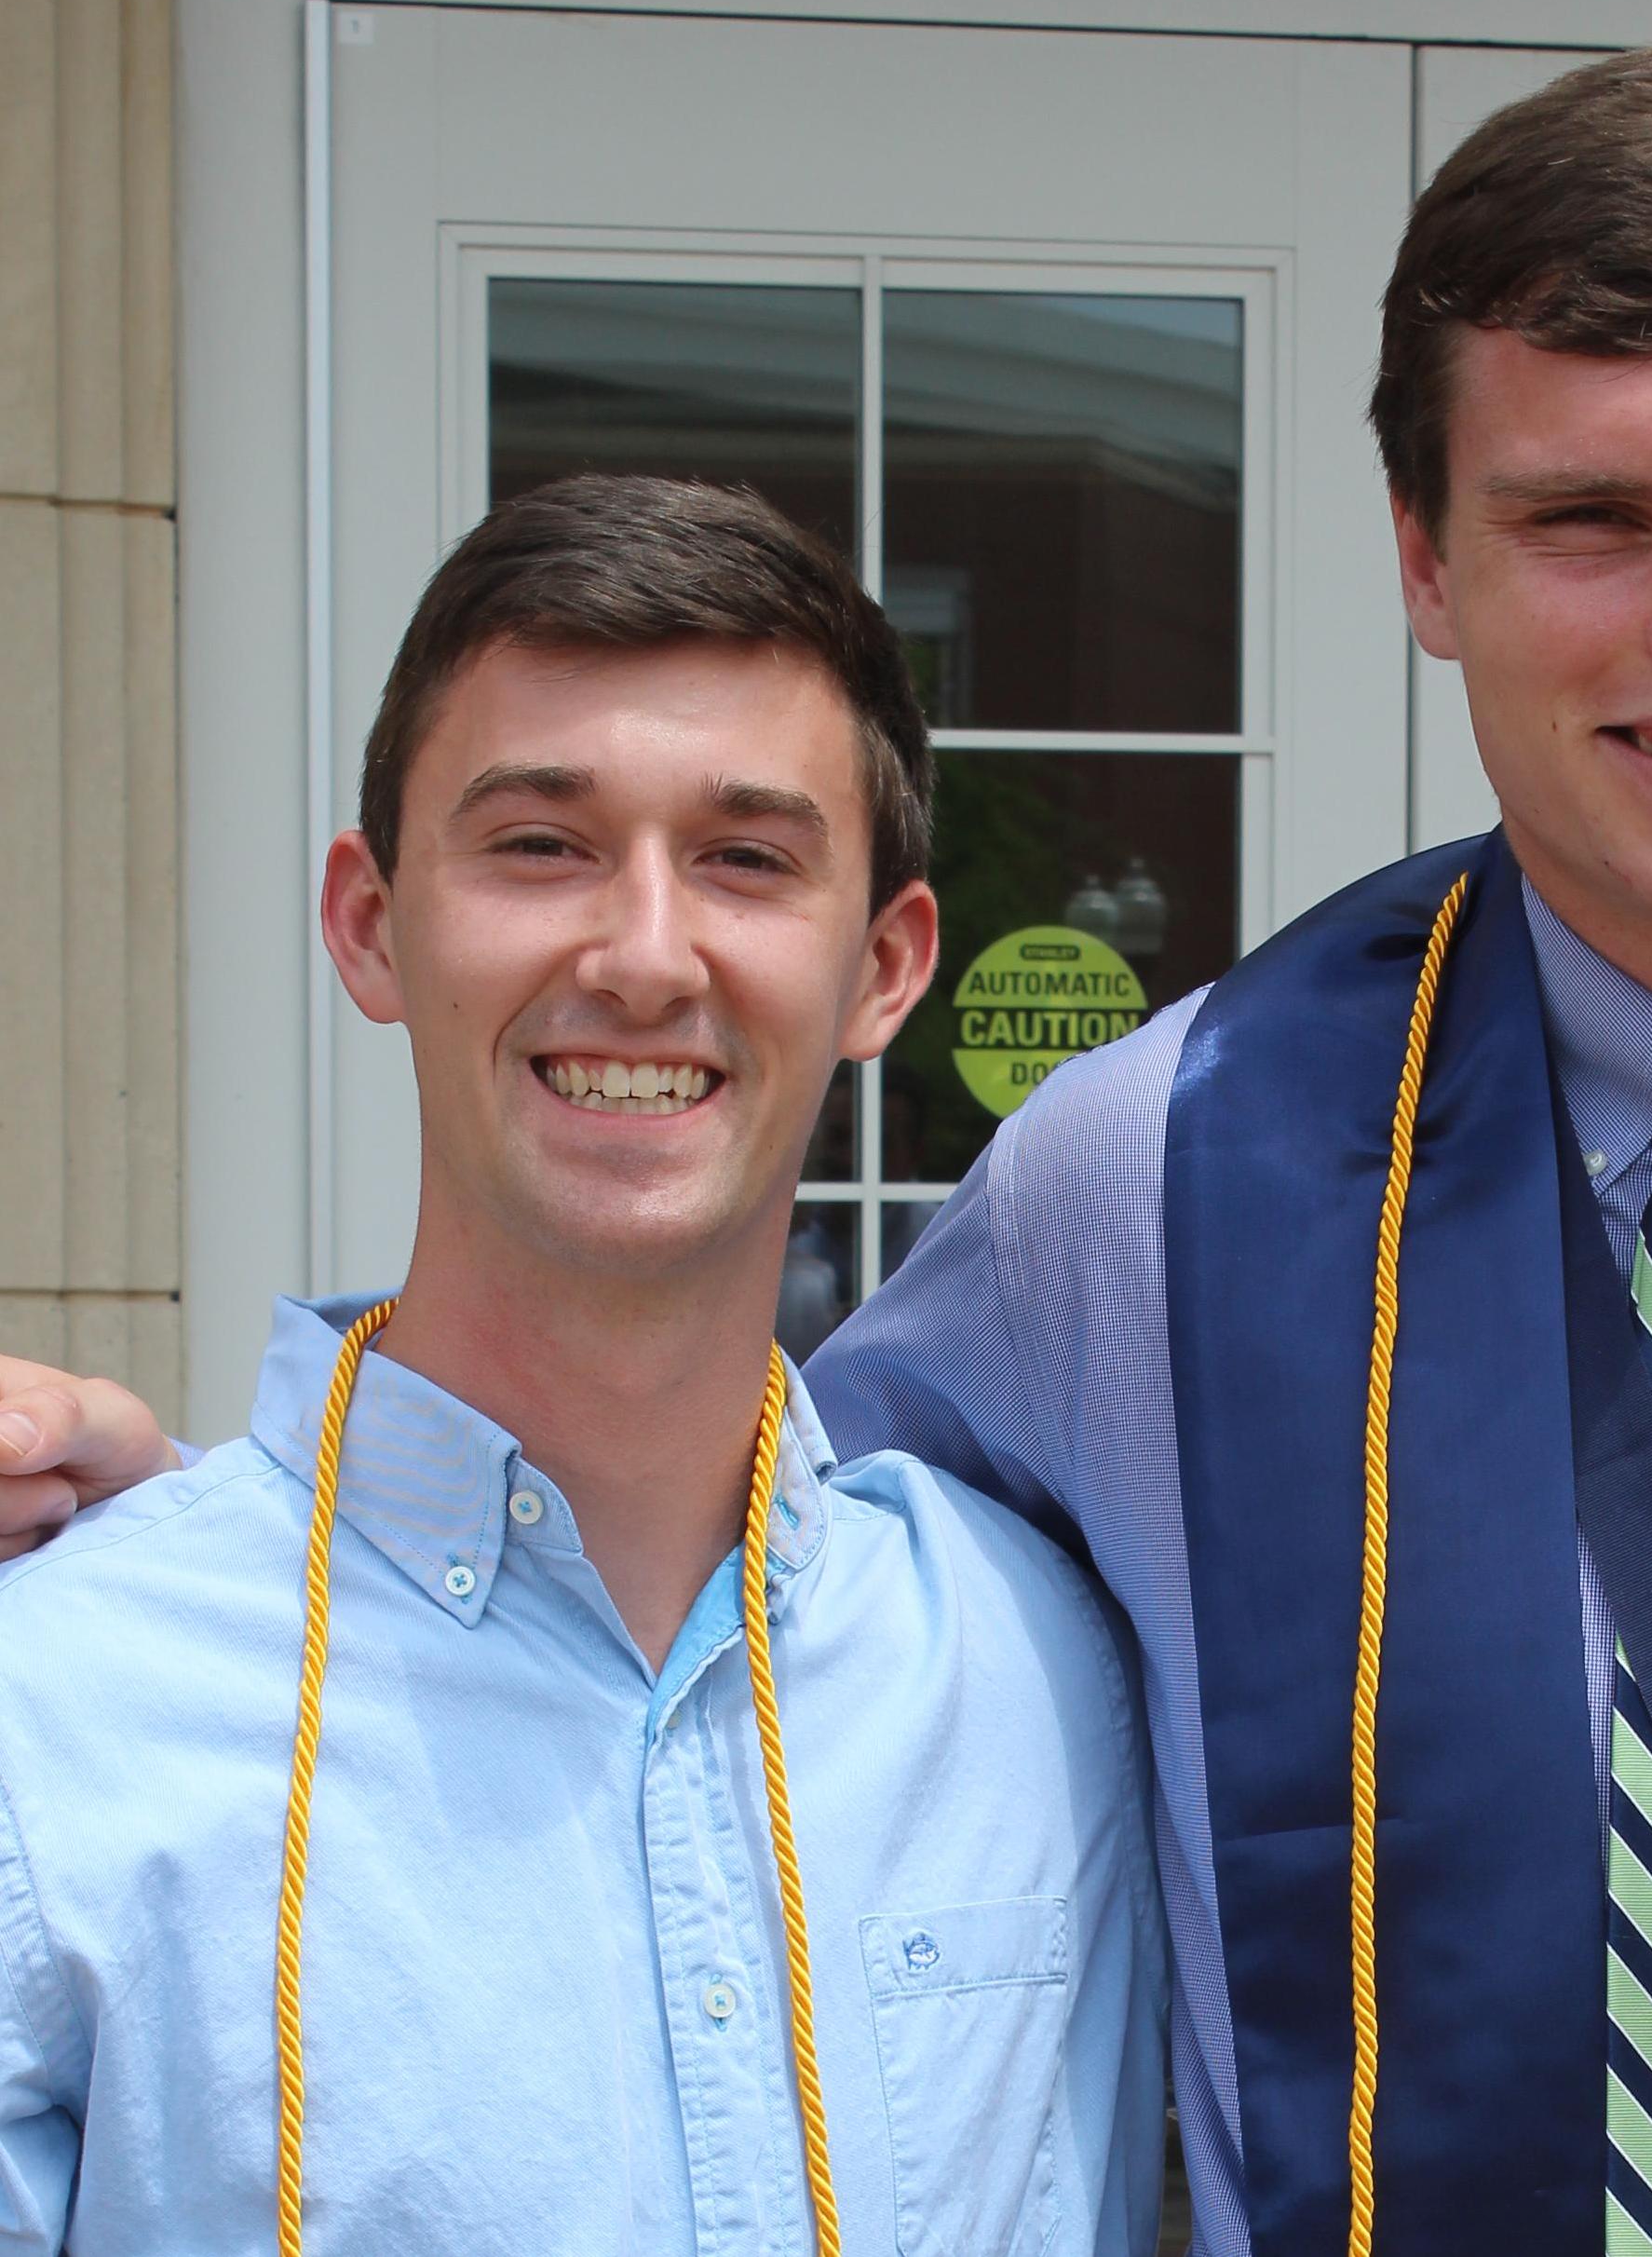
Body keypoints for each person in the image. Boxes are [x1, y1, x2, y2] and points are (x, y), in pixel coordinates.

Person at [7, 42, 1652, 2257]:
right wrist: (207, 1540)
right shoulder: (1152, 1187)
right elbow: (690, 1572)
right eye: (1587, 513)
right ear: (1425, 560)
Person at [0, 476, 1168, 2253]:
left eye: (747, 858)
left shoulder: (1049, 1668)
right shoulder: (62, 1708)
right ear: (371, 924)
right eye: (540, 844)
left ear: (884, 966)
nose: (641, 956)